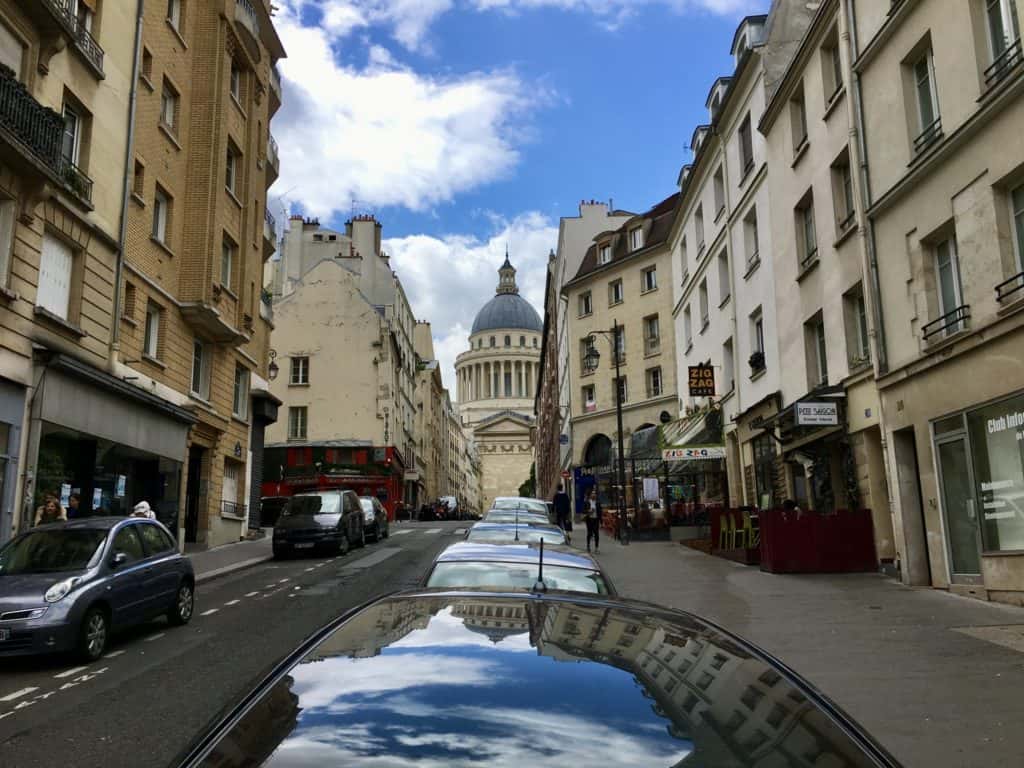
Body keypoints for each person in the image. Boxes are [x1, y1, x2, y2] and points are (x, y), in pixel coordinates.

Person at [584, 488, 600, 554]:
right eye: (592, 494)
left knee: (596, 533)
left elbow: (600, 511)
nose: (594, 495)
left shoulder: (598, 502)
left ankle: (596, 548)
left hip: (596, 519)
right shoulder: (587, 502)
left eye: (594, 494)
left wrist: (601, 521)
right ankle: (588, 546)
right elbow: (583, 511)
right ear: (590, 495)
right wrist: (589, 511)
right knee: (589, 533)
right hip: (589, 519)